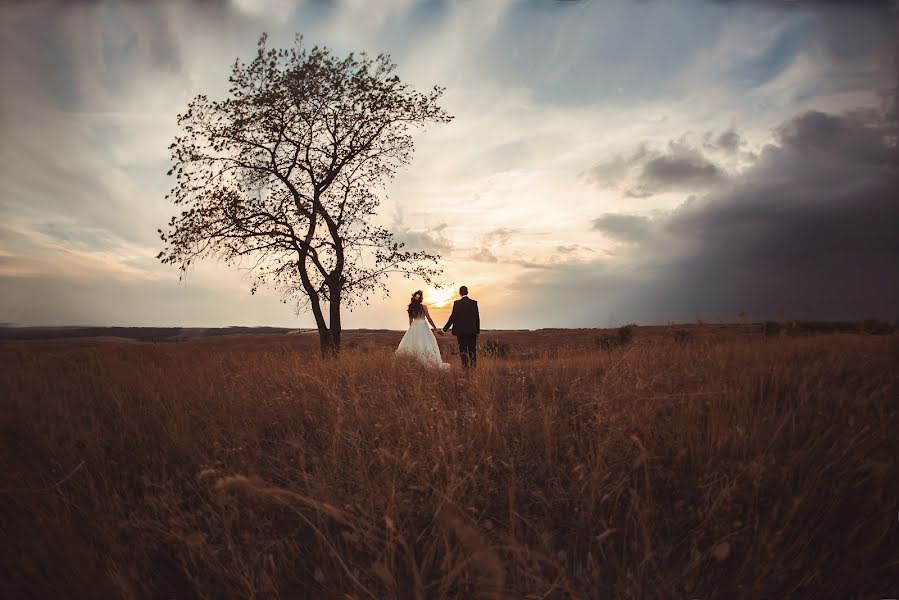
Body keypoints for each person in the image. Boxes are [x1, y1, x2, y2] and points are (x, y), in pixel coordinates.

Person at [395, 290, 450, 369]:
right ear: (421, 298)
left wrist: (411, 331)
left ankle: (414, 363)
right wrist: (435, 328)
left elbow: (410, 321)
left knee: (414, 344)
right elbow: (428, 318)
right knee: (426, 343)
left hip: (414, 326)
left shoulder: (411, 308)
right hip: (423, 325)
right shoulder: (423, 307)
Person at [442, 286, 480, 369]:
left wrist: (444, 330)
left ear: (460, 293)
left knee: (463, 351)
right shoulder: (474, 303)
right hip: (472, 332)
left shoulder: (457, 303)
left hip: (461, 332)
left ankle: (465, 369)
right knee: (472, 351)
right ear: (467, 292)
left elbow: (452, 318)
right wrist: (477, 332)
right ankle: (473, 369)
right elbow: (477, 318)